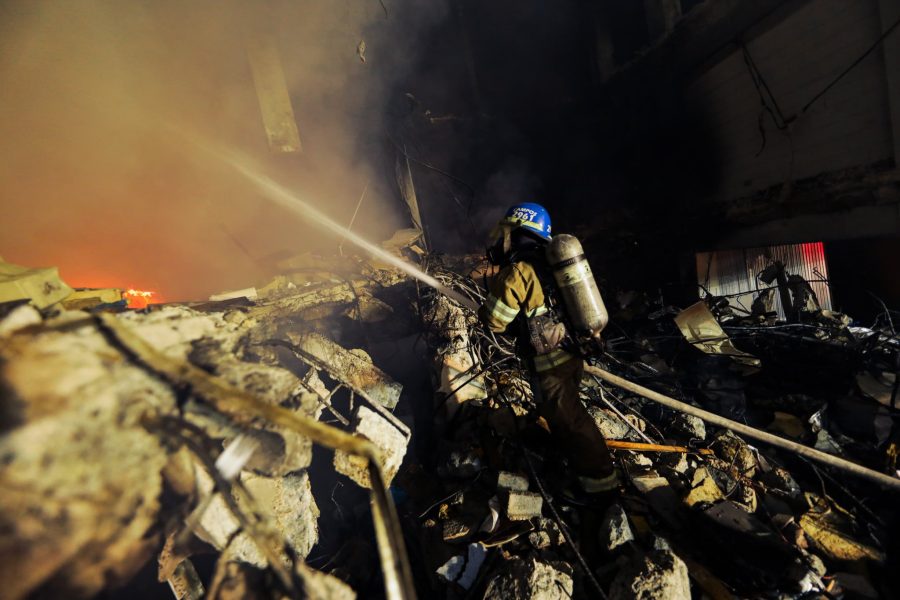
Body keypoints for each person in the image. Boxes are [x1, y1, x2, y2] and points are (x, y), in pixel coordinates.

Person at [479, 202, 618, 498]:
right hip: (570, 356)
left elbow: (494, 321)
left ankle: (602, 486)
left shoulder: (517, 271)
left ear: (515, 233)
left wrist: (490, 307)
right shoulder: (547, 263)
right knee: (562, 417)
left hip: (549, 366)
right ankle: (572, 465)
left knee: (571, 421)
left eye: (505, 233)